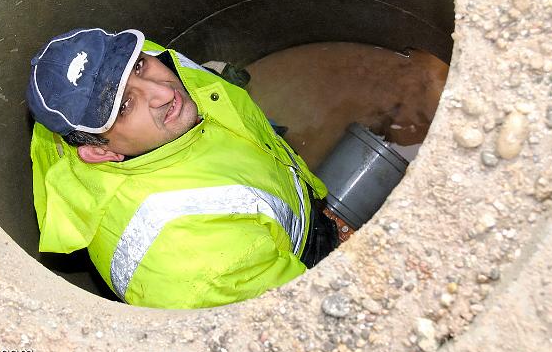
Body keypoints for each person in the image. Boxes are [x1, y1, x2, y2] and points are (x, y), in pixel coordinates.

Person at [27, 28, 338, 309]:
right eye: (123, 105)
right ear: (99, 151)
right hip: (292, 260)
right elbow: (311, 317)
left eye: (137, 66)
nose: (164, 92)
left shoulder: (144, 58)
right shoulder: (191, 258)